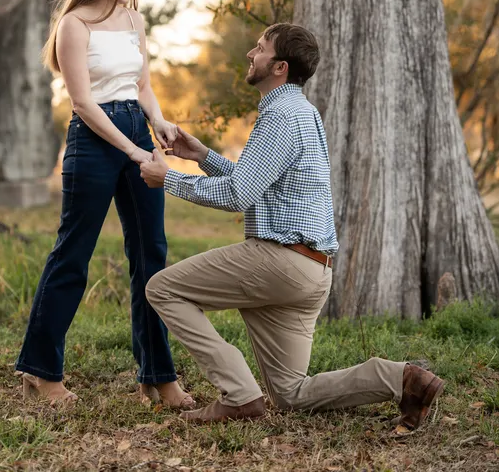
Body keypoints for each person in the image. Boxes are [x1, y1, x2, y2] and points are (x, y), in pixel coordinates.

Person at [139, 22, 444, 428]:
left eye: (260, 48)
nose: (251, 54)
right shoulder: (300, 111)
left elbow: (237, 196)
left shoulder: (280, 116)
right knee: (290, 393)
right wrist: (202, 156)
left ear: (279, 66)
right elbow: (260, 183)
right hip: (312, 270)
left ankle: (238, 394)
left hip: (280, 261)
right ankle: (402, 378)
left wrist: (168, 180)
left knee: (162, 288)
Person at [15, 0, 194, 410]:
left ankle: (158, 376)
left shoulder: (135, 20)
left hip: (135, 125)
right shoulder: (75, 24)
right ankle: (40, 370)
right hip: (94, 140)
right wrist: (134, 153)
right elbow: (83, 102)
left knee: (151, 254)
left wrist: (157, 121)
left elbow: (143, 86)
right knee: (73, 254)